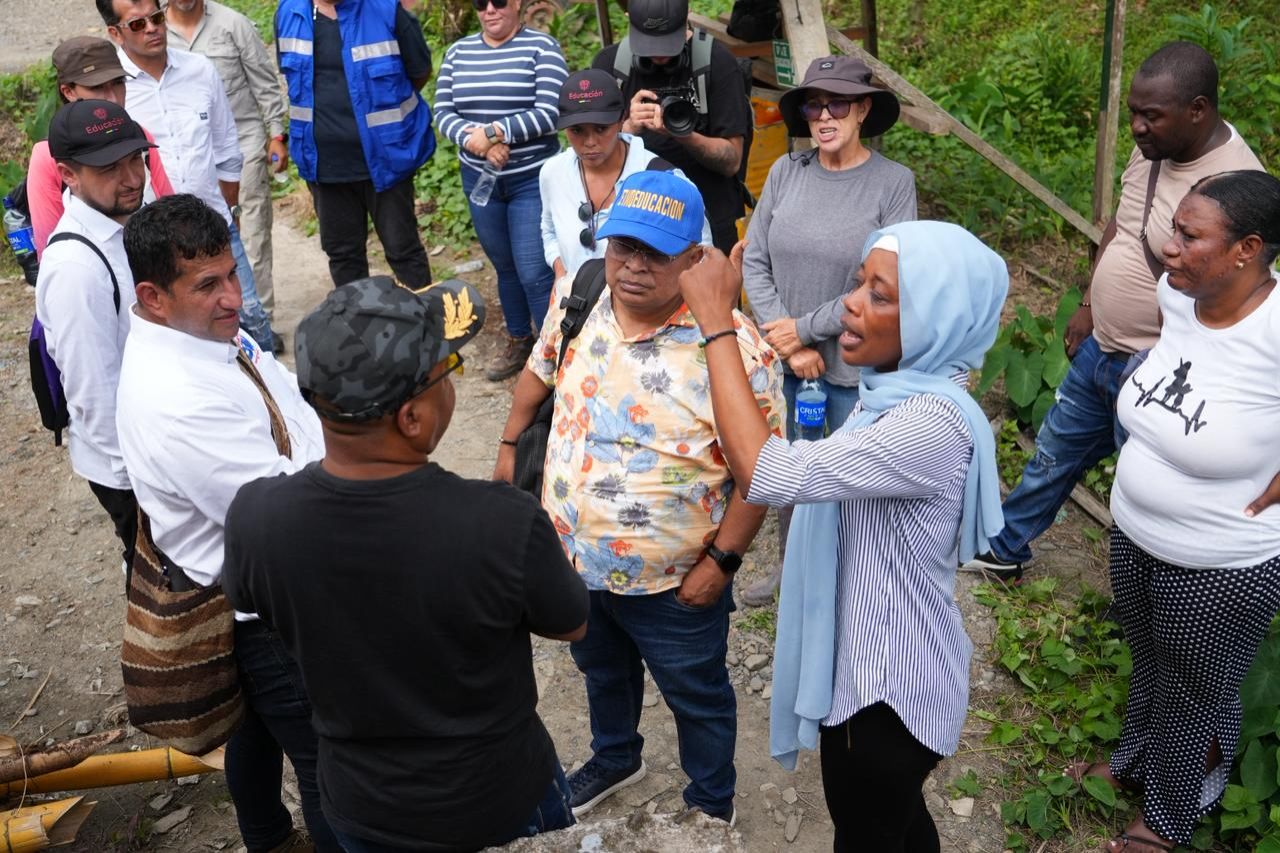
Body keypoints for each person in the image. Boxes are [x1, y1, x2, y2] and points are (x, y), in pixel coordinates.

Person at [223, 276, 589, 852]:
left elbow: (257, 605)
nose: (453, 387)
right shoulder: (501, 524)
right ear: (412, 418)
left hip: (362, 806)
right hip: (498, 801)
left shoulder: (256, 517)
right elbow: (572, 622)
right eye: (450, 373)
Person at [677, 221, 1007, 852]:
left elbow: (766, 472)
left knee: (868, 832)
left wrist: (718, 323)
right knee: (898, 827)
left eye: (880, 295)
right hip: (874, 665)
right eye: (860, 283)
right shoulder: (897, 393)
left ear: (939, 318)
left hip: (885, 692)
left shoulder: (928, 424)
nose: (851, 302)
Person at [493, 170, 785, 822]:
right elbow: (538, 373)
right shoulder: (582, 291)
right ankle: (616, 754)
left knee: (698, 693)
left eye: (657, 253)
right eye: (624, 245)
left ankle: (711, 803)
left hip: (676, 586)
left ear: (695, 259)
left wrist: (723, 563)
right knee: (601, 671)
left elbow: (760, 474)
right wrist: (510, 448)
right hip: (574, 566)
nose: (633, 266)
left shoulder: (735, 349)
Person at [964, 41, 1264, 582]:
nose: (1138, 128)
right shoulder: (1153, 151)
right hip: (1103, 344)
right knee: (1053, 453)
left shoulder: (1237, 186)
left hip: (1161, 368)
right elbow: (1123, 225)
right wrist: (1087, 304)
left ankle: (1144, 602)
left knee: (1145, 485)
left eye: (1152, 116)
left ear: (1197, 110)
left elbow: (1247, 297)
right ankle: (1005, 551)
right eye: (1133, 114)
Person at [115, 194, 335, 853]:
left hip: (252, 584)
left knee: (254, 732)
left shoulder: (203, 331)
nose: (234, 297)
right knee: (328, 765)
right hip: (261, 611)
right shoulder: (176, 399)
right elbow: (284, 517)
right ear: (154, 297)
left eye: (232, 273)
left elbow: (286, 403)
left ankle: (267, 837)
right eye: (208, 284)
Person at [1070, 171, 1280, 853]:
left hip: (1221, 558)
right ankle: (1136, 756)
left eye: (1190, 236)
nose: (1169, 247)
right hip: (1134, 527)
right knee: (1151, 658)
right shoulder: (1178, 295)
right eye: (1174, 228)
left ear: (1248, 248)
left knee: (1194, 686)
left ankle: (1165, 819)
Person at [740, 54, 917, 606]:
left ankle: (851, 584)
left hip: (850, 363)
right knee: (789, 472)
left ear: (863, 109)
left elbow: (886, 283)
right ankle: (793, 574)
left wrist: (807, 330)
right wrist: (787, 344)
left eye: (837, 102)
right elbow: (754, 261)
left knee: (847, 481)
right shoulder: (786, 173)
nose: (823, 114)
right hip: (784, 360)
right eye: (814, 103)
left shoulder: (892, 183)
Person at [99, 0, 275, 353]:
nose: (152, 28)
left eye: (157, 18)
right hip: (153, 244)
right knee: (179, 338)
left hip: (214, 226)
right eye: (137, 25)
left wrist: (227, 210)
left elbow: (226, 147)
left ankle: (271, 401)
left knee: (251, 323)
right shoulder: (112, 90)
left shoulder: (200, 70)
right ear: (115, 33)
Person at [35, 100, 155, 575]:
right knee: (155, 581)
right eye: (109, 167)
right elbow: (93, 393)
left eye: (135, 159)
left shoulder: (124, 222)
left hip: (154, 442)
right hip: (130, 466)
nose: (131, 178)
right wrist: (140, 484)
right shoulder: (77, 269)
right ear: (67, 174)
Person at [433, 0, 568, 381]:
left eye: (500, 1)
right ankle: (519, 338)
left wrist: (496, 132)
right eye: (480, 2)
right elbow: (443, 111)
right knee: (504, 267)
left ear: (519, 4)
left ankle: (553, 353)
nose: (490, 9)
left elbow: (554, 111)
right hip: (480, 180)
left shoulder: (542, 48)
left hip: (531, 179)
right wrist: (476, 141)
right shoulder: (458, 52)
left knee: (534, 271)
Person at [274, 0, 436, 294]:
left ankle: (424, 333)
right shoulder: (289, 13)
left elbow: (420, 70)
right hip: (325, 165)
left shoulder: (385, 10)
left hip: (387, 161)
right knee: (344, 257)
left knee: (404, 251)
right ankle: (362, 334)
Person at [167, 0, 290, 352]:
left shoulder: (233, 24)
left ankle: (259, 315)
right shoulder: (155, 30)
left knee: (251, 231)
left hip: (244, 141)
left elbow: (264, 82)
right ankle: (207, 319)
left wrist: (276, 134)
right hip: (194, 154)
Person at [592, 0, 752, 254]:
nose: (659, 54)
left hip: (707, 214)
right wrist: (628, 128)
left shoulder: (717, 63)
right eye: (650, 42)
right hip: (635, 220)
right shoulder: (611, 65)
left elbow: (731, 161)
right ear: (628, 19)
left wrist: (684, 135)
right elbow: (592, 154)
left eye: (668, 41)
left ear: (687, 16)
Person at [538, 68, 710, 280]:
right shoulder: (553, 173)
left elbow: (701, 254)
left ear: (621, 120)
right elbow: (549, 230)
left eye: (601, 129)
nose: (590, 142)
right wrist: (560, 271)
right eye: (577, 130)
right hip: (576, 305)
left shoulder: (666, 179)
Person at [27, 36, 174, 258]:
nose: (113, 98)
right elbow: (50, 244)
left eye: (118, 83)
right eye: (97, 87)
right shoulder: (47, 157)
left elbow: (168, 211)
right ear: (68, 91)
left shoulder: (140, 135)